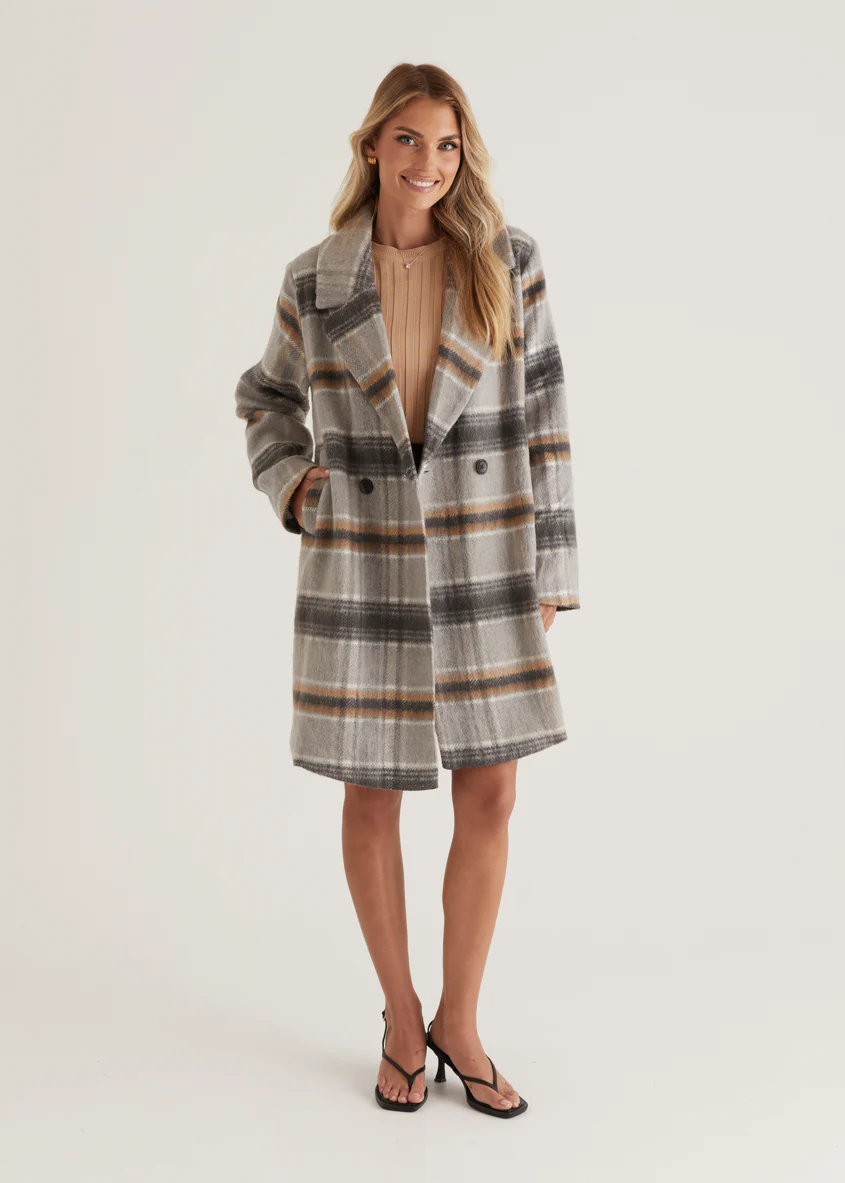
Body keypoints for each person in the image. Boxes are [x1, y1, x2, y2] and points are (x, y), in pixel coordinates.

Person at [234, 62, 580, 1118]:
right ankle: (399, 1013)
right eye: (408, 139)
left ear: (462, 156)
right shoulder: (315, 279)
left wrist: (555, 566)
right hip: (365, 555)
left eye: (446, 144)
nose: (428, 162)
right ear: (371, 146)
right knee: (371, 789)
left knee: (493, 791)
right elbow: (264, 397)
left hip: (485, 551)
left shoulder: (508, 263)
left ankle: (458, 1021)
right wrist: (294, 484)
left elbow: (547, 413)